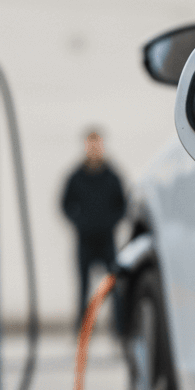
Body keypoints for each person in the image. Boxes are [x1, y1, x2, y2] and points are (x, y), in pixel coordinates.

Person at [60, 129, 126, 330]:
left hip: (107, 240)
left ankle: (118, 327)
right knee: (83, 287)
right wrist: (80, 222)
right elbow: (64, 204)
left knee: (113, 285)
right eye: (91, 144)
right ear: (86, 146)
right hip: (85, 240)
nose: (94, 148)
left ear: (102, 146)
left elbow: (122, 205)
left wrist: (110, 222)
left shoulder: (113, 176)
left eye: (97, 144)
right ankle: (83, 328)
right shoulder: (75, 176)